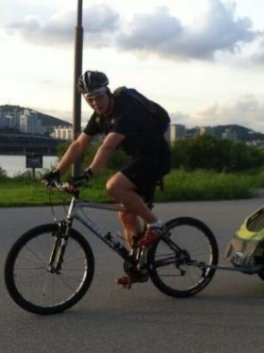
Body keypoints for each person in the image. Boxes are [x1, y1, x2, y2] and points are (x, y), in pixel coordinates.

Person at [42, 70, 171, 287]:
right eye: (89, 99)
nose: (95, 103)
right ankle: (139, 267)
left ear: (108, 92)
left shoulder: (126, 110)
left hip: (156, 158)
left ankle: (156, 225)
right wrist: (57, 171)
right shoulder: (99, 117)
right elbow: (78, 145)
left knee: (114, 186)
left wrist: (89, 173)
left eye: (98, 97)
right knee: (126, 216)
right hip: (140, 158)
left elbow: (108, 146)